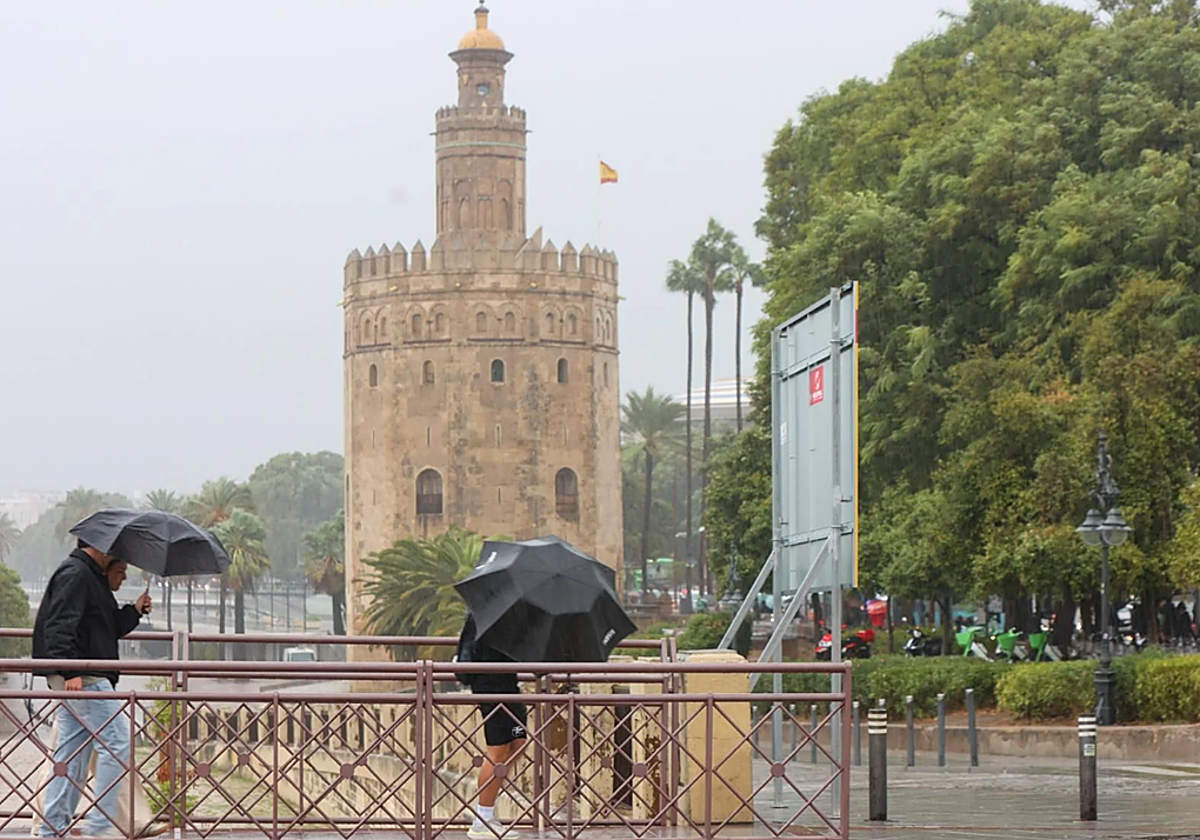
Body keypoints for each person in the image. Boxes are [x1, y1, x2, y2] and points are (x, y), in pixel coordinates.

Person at [32, 540, 151, 838]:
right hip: (84, 677)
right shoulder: (76, 574)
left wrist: (135, 611)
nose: (119, 567)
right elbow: (58, 625)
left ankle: (52, 829)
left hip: (84, 675)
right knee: (117, 742)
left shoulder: (88, 577)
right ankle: (100, 826)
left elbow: (106, 627)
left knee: (71, 757)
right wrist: (70, 669)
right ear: (100, 548)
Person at [456, 612, 526, 839]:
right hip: (491, 689)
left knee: (519, 740)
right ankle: (482, 820)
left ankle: (489, 804)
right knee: (498, 749)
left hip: (510, 688)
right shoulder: (484, 613)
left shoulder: (512, 612)